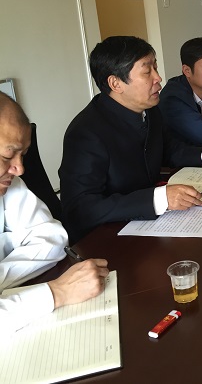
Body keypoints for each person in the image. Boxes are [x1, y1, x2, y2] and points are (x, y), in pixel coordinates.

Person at [60, 36, 202, 244]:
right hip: (107, 239)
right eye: (147, 71)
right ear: (116, 83)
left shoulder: (150, 111)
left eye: (155, 68)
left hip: (148, 227)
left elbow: (168, 148)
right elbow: (80, 208)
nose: (158, 78)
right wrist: (159, 199)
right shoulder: (86, 133)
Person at [0, 93, 108, 335]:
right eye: (7, 156)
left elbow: (53, 239)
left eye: (23, 154)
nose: (20, 169)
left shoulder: (10, 183)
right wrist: (57, 292)